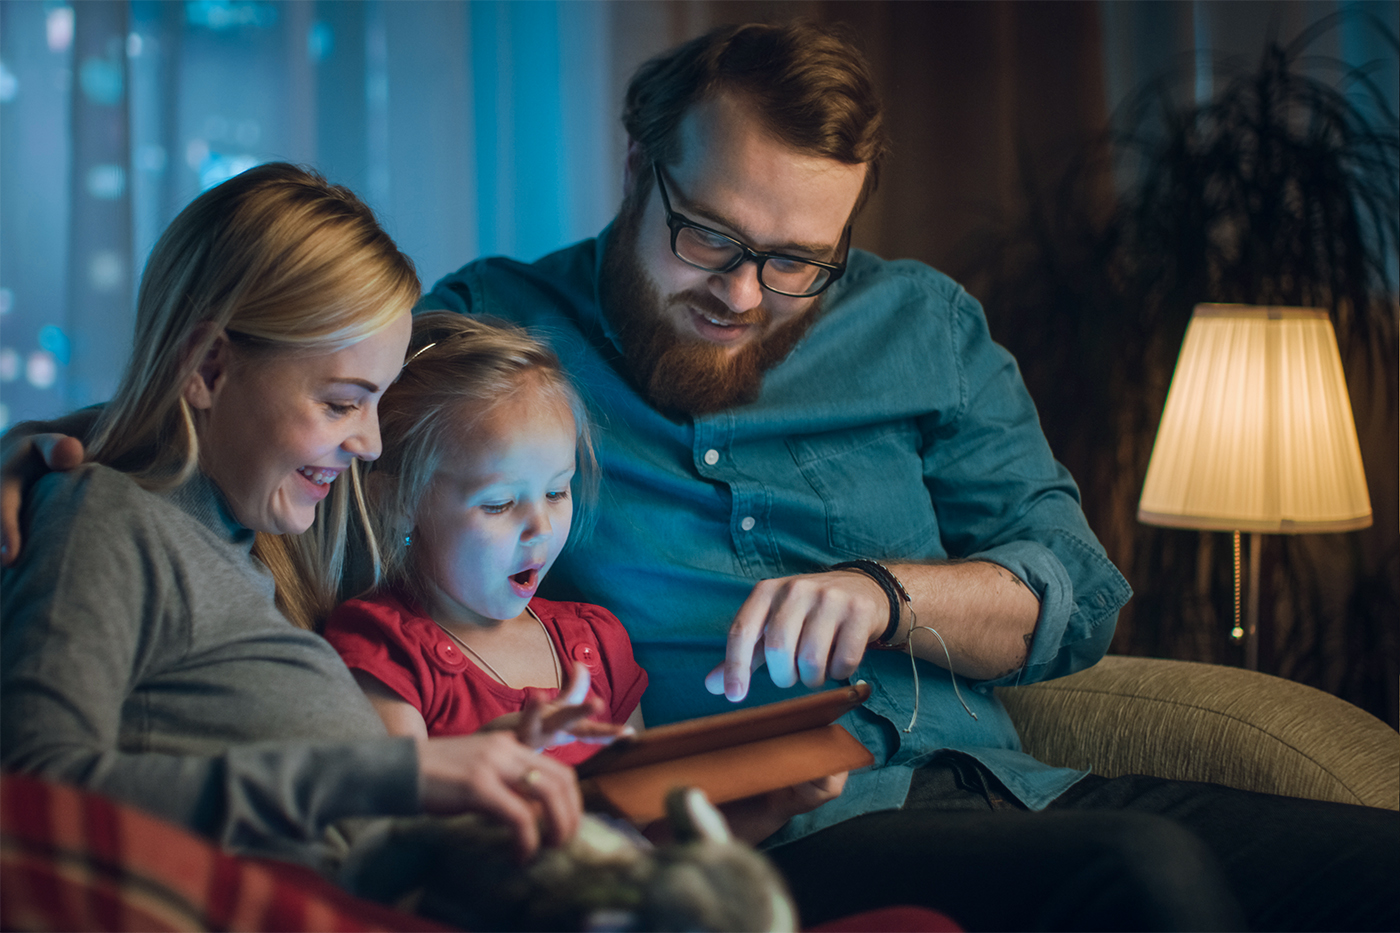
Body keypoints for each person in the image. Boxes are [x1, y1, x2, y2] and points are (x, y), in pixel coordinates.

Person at [5, 22, 1396, 932]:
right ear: (639, 168)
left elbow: (1078, 594)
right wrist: (45, 457)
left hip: (1002, 777)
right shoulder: (491, 327)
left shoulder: (926, 328)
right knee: (1142, 887)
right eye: (709, 239)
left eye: (798, 263)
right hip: (766, 833)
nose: (746, 292)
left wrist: (889, 592)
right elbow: (282, 378)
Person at [0, 163, 581, 874]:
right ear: (211, 367)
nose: (368, 443)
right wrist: (402, 775)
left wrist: (464, 771)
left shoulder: (269, 541)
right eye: (341, 402)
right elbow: (31, 792)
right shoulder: (109, 520)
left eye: (377, 403)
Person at [324, 311, 850, 844]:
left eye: (557, 492)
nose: (541, 527)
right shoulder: (382, 649)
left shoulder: (596, 643)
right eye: (499, 503)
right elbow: (391, 848)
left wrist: (776, 804)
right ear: (397, 503)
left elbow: (653, 845)